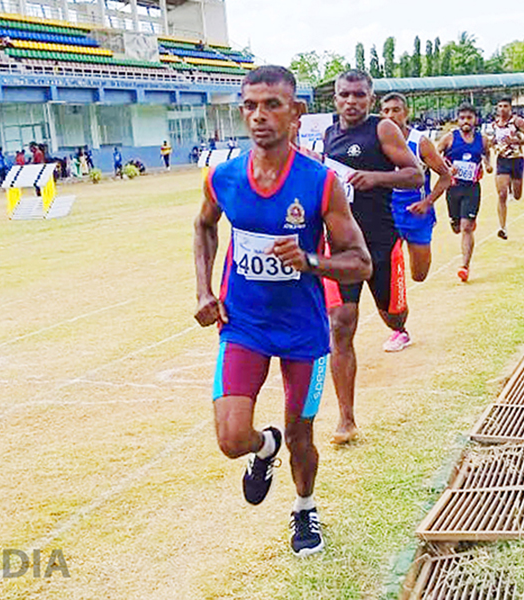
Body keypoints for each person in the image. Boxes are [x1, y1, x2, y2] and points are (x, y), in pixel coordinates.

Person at [193, 65, 371, 556]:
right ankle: (262, 448)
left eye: (272, 105)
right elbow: (204, 227)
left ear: (296, 113)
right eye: (249, 106)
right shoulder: (223, 177)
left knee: (301, 434)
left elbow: (361, 262)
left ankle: (305, 508)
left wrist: (311, 261)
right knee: (231, 438)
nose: (259, 116)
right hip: (244, 325)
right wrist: (204, 291)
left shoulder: (320, 183)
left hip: (302, 332)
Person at [323, 69, 423, 442]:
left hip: (380, 244)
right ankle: (346, 419)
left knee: (393, 317)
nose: (351, 102)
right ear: (335, 98)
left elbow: (415, 175)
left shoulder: (382, 130)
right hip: (343, 248)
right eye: (344, 95)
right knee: (341, 325)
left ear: (370, 97)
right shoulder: (330, 135)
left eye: (359, 95)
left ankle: (400, 324)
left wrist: (374, 178)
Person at [379, 92, 452, 290]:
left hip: (416, 213)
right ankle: (395, 300)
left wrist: (427, 202)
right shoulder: (376, 143)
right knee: (387, 271)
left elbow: (446, 177)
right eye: (386, 111)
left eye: (396, 110)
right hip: (387, 214)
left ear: (407, 112)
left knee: (419, 275)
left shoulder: (420, 143)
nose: (391, 115)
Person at [437, 103, 492, 283]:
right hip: (453, 189)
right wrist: (447, 168)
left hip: (472, 189)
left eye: (469, 118)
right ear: (457, 120)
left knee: (466, 228)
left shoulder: (482, 139)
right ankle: (460, 222)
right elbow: (435, 156)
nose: (466, 121)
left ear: (475, 120)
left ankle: (465, 267)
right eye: (462, 118)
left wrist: (488, 163)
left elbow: (486, 153)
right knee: (456, 227)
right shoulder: (449, 138)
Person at [491, 97, 524, 239]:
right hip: (502, 160)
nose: (502, 109)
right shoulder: (495, 124)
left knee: (517, 195)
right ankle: (502, 228)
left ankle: (513, 190)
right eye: (500, 106)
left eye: (505, 106)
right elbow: (494, 140)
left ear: (510, 108)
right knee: (501, 194)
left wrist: (517, 141)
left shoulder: (517, 122)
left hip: (517, 160)